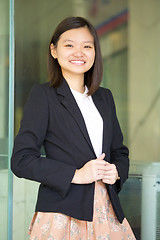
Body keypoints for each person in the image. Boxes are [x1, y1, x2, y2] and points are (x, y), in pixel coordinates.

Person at [11, 17, 136, 239]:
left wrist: (116, 171)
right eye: (69, 45)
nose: (79, 53)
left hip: (107, 210)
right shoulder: (43, 96)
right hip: (63, 213)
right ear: (54, 51)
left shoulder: (104, 98)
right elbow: (21, 160)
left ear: (95, 52)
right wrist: (76, 175)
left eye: (87, 46)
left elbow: (119, 151)